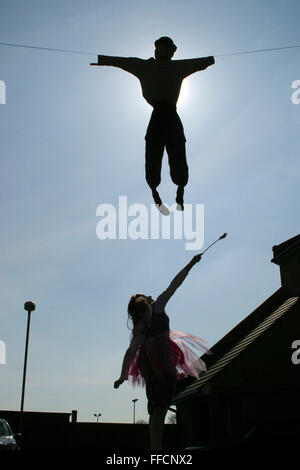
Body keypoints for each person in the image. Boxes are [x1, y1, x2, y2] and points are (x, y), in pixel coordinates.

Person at [90, 37, 215, 213]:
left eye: (166, 50)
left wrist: (209, 60)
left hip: (170, 114)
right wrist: (103, 60)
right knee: (153, 154)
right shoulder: (146, 66)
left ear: (170, 52)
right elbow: (123, 62)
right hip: (159, 115)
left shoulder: (175, 67)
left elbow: (195, 63)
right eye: (160, 49)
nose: (161, 52)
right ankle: (156, 193)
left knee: (177, 150)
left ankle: (179, 191)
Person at [113, 253, 210, 450]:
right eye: (143, 316)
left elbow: (175, 284)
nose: (147, 318)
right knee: (160, 406)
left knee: (157, 408)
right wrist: (122, 375)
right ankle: (156, 447)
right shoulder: (145, 322)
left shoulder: (155, 308)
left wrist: (190, 265)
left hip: (152, 366)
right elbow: (130, 351)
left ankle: (155, 445)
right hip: (159, 365)